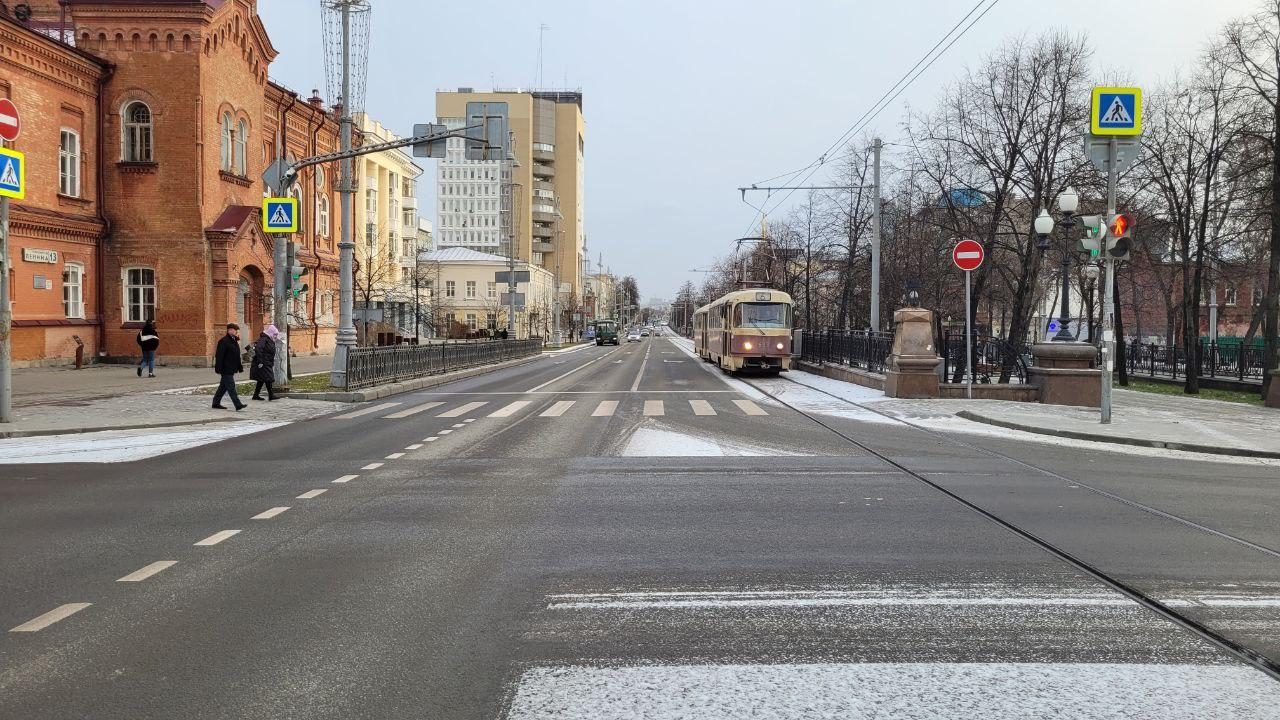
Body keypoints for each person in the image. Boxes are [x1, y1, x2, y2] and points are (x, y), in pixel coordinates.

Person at [212, 323, 246, 411]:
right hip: (225, 368)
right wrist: (218, 368)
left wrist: (240, 366)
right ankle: (237, 404)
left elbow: (236, 355)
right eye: (235, 330)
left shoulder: (234, 341)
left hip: (231, 368)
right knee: (231, 386)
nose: (237, 332)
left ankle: (215, 403)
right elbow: (219, 356)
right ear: (230, 330)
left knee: (223, 387)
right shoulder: (224, 341)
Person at [251, 324, 280, 401]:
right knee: (268, 378)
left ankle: (256, 395)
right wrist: (260, 361)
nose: (275, 336)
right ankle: (271, 395)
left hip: (266, 362)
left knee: (262, 379)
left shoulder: (269, 339)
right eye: (274, 334)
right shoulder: (264, 339)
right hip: (264, 362)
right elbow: (258, 348)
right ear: (270, 333)